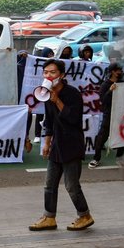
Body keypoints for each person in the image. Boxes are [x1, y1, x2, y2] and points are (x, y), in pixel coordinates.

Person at [29, 59, 94, 232]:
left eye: (52, 72)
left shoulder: (72, 93)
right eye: (45, 72)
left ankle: (85, 215)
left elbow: (73, 118)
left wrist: (57, 100)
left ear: (62, 75)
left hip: (71, 144)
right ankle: (49, 217)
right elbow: (48, 121)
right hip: (57, 144)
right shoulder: (45, 93)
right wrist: (46, 143)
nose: (48, 76)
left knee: (71, 185)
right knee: (49, 184)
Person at [88, 62, 124, 169]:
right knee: (102, 137)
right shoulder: (105, 85)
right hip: (109, 114)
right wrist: (110, 91)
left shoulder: (122, 83)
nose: (120, 72)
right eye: (118, 70)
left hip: (120, 114)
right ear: (113, 71)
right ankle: (96, 158)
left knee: (122, 136)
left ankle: (119, 157)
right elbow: (103, 100)